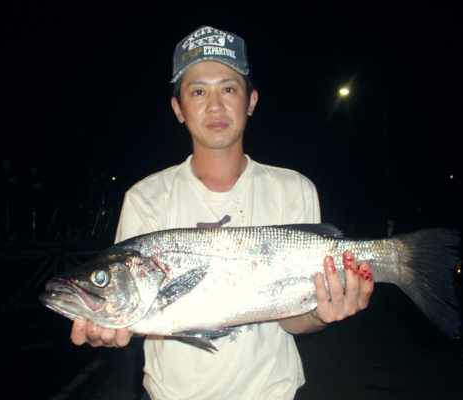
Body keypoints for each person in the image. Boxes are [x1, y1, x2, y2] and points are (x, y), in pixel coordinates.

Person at [71, 26, 374, 399]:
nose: (214, 105)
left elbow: (293, 320)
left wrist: (319, 314)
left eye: (228, 89)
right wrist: (108, 327)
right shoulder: (146, 198)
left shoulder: (293, 189)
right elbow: (136, 312)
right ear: (178, 108)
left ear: (251, 101)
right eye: (198, 91)